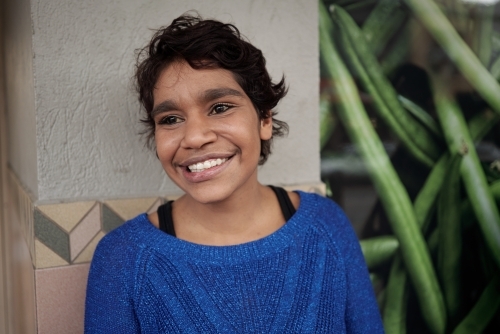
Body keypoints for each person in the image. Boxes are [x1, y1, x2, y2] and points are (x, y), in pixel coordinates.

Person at [84, 13, 384, 333]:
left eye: (219, 107)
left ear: (264, 119)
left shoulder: (327, 226)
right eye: (170, 119)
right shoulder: (123, 259)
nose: (195, 137)